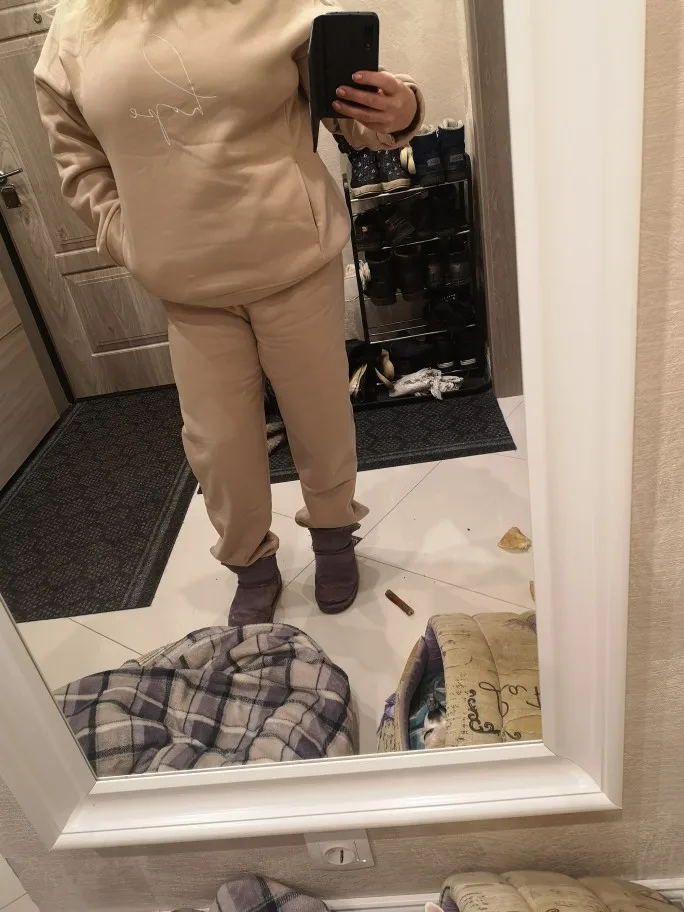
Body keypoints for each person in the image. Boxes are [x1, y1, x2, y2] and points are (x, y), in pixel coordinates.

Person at [35, 0, 424, 625]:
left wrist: (400, 109)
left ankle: (333, 539)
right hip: (187, 286)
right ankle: (250, 563)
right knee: (217, 444)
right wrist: (131, 242)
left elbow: (354, 114)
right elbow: (78, 165)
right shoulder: (73, 32)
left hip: (294, 259)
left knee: (320, 417)